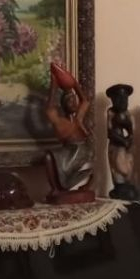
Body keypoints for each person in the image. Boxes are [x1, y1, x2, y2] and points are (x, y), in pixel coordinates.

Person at [43, 61, 95, 203]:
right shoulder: (61, 122)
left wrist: (74, 83)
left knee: (90, 164)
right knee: (49, 157)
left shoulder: (79, 117)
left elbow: (85, 100)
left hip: (82, 150)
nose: (72, 103)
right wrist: (54, 84)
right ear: (63, 105)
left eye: (73, 100)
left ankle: (84, 184)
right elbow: (49, 109)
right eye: (68, 101)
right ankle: (56, 189)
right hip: (69, 152)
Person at [104, 82, 139, 200]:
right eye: (118, 99)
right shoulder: (111, 112)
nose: (122, 102)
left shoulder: (128, 114)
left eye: (125, 99)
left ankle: (127, 183)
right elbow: (110, 133)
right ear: (113, 100)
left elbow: (131, 131)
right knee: (117, 166)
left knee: (128, 164)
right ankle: (119, 185)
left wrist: (129, 139)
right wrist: (123, 140)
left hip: (126, 146)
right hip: (116, 145)